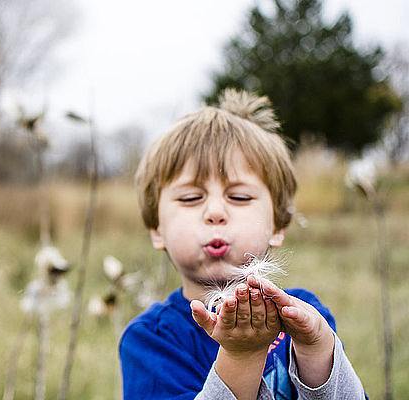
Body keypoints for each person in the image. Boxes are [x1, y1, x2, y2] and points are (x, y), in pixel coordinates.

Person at [119, 89, 365, 400]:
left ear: (277, 223)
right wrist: (241, 355)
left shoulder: (306, 317)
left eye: (239, 197)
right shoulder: (152, 340)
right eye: (191, 198)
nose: (215, 212)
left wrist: (318, 349)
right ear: (157, 229)